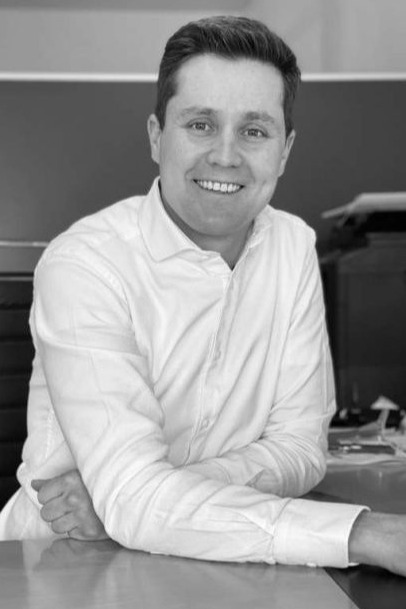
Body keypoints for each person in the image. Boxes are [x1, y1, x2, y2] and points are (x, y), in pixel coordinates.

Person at [0, 15, 405, 576]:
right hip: (64, 563)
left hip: (227, 566)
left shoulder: (291, 247)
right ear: (155, 136)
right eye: (200, 124)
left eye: (254, 131)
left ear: (284, 151)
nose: (226, 155)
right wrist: (365, 532)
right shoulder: (86, 265)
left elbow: (301, 449)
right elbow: (133, 499)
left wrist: (139, 496)